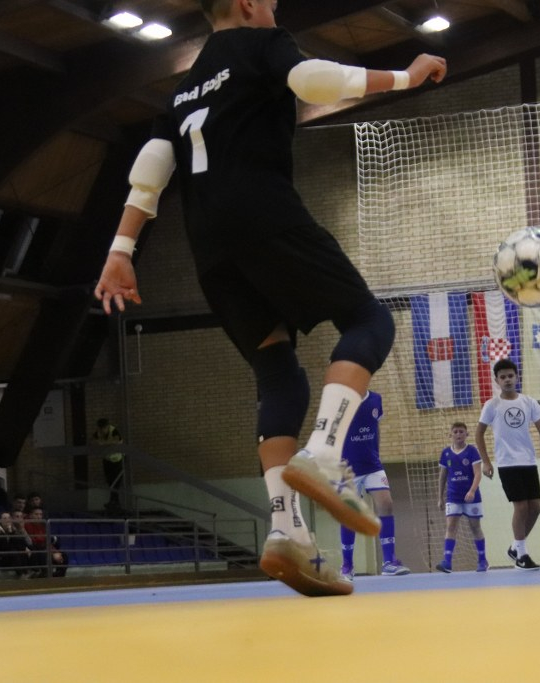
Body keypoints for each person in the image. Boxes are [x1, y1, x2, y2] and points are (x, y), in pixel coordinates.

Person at [93, 0, 446, 597]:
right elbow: (312, 80)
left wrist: (120, 249)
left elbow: (152, 165)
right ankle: (325, 454)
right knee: (368, 321)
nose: (276, 6)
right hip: (266, 216)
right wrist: (405, 77)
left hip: (211, 250)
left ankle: (287, 532)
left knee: (279, 377)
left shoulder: (182, 91)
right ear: (247, 3)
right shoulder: (262, 45)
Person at [476, 358, 540, 571]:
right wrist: (486, 462)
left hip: (528, 461)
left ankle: (515, 546)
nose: (507, 380)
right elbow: (479, 434)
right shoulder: (492, 405)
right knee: (521, 506)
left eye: (510, 376)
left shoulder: (528, 402)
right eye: (503, 377)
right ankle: (522, 555)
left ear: (517, 377)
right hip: (507, 463)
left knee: (535, 508)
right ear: (497, 381)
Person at [338, 391, 409, 581]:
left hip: (372, 465)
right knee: (349, 513)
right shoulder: (342, 399)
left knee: (386, 504)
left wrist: (376, 453)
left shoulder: (376, 398)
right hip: (348, 467)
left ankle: (389, 561)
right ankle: (347, 565)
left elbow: (376, 427)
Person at [435, 422, 489, 573]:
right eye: (455, 432)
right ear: (450, 435)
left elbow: (477, 474)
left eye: (461, 432)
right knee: (451, 527)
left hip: (471, 497)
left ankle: (482, 560)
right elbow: (442, 477)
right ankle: (447, 562)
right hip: (453, 497)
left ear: (467, 434)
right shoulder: (446, 453)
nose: (458, 434)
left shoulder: (472, 451)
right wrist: (440, 497)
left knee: (475, 527)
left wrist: (472, 491)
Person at [91, 418, 125, 512]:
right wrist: (97, 443)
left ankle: (114, 502)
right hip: (107, 460)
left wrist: (103, 443)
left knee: (116, 482)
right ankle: (114, 502)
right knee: (110, 481)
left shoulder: (113, 431)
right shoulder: (98, 432)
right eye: (100, 429)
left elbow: (116, 440)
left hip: (117, 460)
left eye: (103, 429)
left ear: (107, 427)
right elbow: (92, 441)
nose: (102, 431)